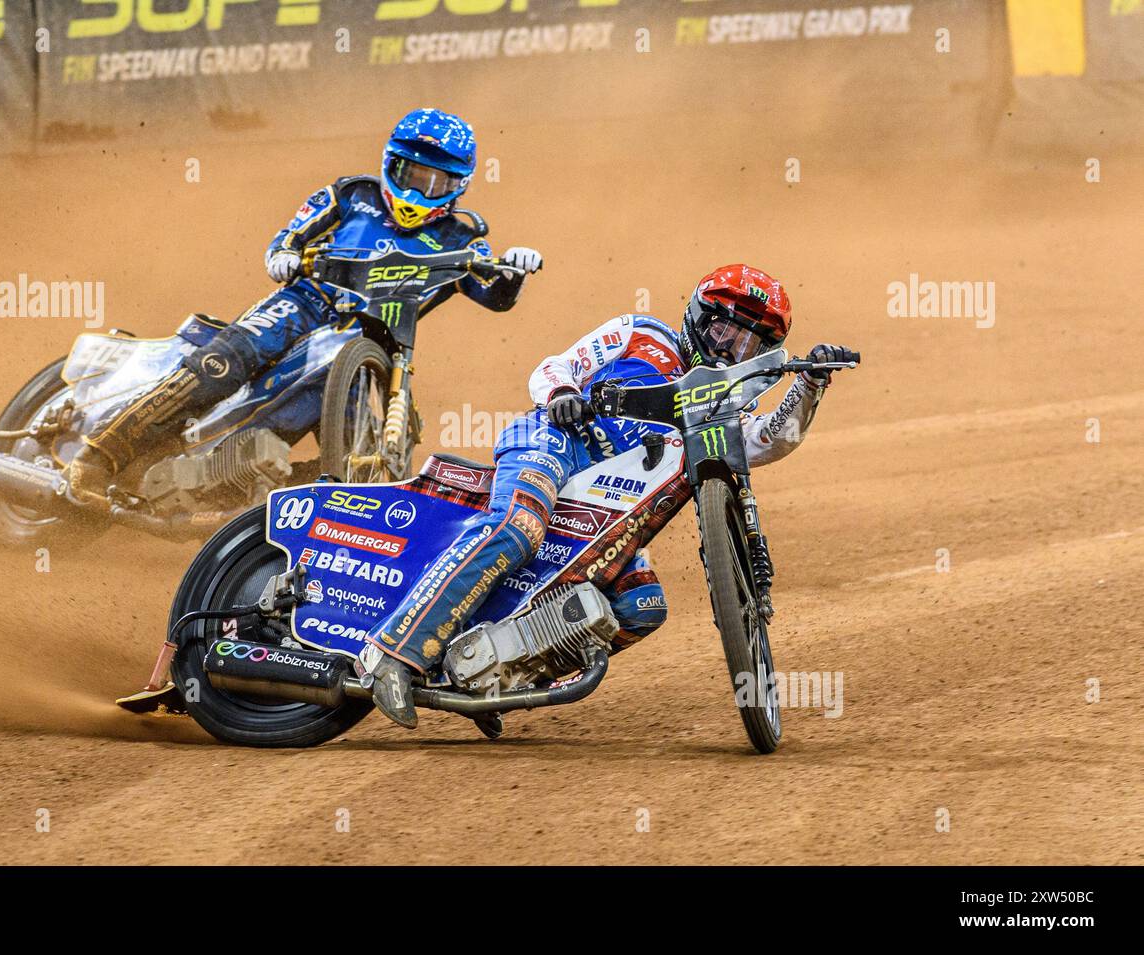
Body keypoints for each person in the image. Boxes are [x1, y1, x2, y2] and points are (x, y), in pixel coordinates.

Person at [358, 264, 857, 728]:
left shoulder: (723, 413)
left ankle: (498, 679)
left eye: (751, 343)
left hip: (612, 513)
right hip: (555, 443)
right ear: (699, 318)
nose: (732, 349)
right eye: (726, 329)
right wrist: (561, 397)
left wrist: (811, 383)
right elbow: (556, 368)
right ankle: (393, 654)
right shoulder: (642, 332)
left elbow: (772, 439)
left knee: (643, 606)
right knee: (518, 528)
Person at [68, 107, 543, 505]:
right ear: (390, 164)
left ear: (458, 186)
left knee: (357, 440)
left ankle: (260, 496)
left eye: (434, 183)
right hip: (308, 301)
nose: (417, 191)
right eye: (409, 174)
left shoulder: (462, 238)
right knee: (224, 363)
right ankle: (99, 455)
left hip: (372, 343)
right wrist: (283, 255)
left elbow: (494, 293)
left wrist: (514, 270)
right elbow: (288, 237)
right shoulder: (353, 195)